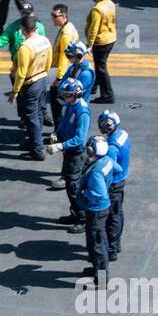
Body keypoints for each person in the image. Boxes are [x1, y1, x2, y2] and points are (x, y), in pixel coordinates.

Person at [48, 78, 91, 231]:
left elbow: (80, 139)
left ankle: (83, 218)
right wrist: (56, 133)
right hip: (69, 152)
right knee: (69, 185)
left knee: (74, 187)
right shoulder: (70, 106)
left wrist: (60, 146)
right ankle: (75, 213)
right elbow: (63, 122)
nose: (64, 97)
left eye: (67, 95)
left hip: (76, 154)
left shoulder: (82, 112)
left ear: (76, 94)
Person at [9, 15, 54, 160]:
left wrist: (15, 91)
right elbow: (49, 61)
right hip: (42, 79)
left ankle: (38, 150)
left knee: (31, 117)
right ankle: (35, 141)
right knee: (39, 113)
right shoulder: (44, 40)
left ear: (23, 29)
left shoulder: (25, 47)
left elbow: (21, 73)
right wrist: (43, 74)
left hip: (30, 83)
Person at [78, 136, 119, 287]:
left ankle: (101, 279)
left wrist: (87, 195)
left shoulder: (95, 171)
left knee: (97, 246)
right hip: (102, 210)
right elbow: (118, 169)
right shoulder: (107, 161)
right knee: (95, 243)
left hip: (96, 210)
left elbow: (100, 194)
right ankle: (96, 270)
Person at [98, 109, 130, 261]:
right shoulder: (123, 134)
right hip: (121, 179)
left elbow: (108, 167)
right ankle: (116, 243)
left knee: (111, 217)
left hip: (113, 183)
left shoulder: (112, 146)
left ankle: (111, 248)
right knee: (118, 213)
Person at [0, 1, 44, 80]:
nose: (25, 16)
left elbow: (43, 45)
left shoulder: (40, 27)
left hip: (34, 63)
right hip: (18, 63)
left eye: (28, 14)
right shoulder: (13, 27)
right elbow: (2, 41)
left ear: (33, 14)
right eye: (23, 13)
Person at [48, 3, 80, 132]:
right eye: (52, 15)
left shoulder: (66, 34)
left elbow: (64, 57)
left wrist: (59, 78)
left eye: (55, 16)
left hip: (62, 74)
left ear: (64, 16)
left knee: (57, 106)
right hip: (68, 72)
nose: (53, 18)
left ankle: (59, 132)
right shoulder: (69, 27)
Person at [83, 0, 117, 104]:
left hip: (101, 41)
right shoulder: (110, 4)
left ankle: (108, 95)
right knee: (99, 65)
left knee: (101, 68)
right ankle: (94, 87)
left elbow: (93, 29)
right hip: (111, 38)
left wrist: (89, 44)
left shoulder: (97, 9)